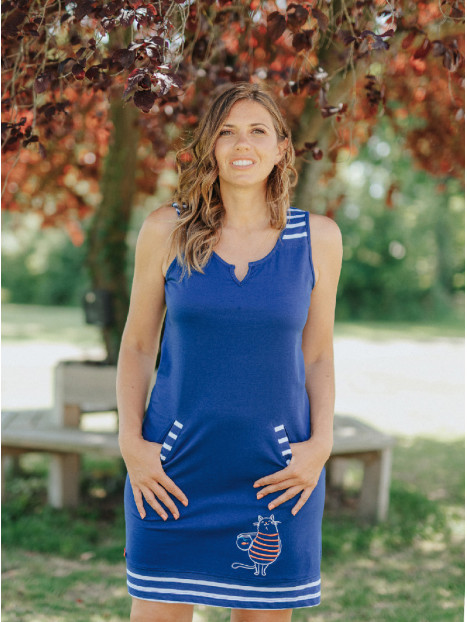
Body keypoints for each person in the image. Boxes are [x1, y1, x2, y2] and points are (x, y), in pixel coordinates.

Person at [117, 81, 343, 622]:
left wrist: (321, 445)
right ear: (210, 147)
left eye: (258, 131)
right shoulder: (167, 229)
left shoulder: (317, 239)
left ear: (281, 148)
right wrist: (131, 444)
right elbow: (138, 345)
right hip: (170, 473)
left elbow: (318, 355)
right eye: (227, 132)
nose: (243, 143)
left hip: (278, 476)